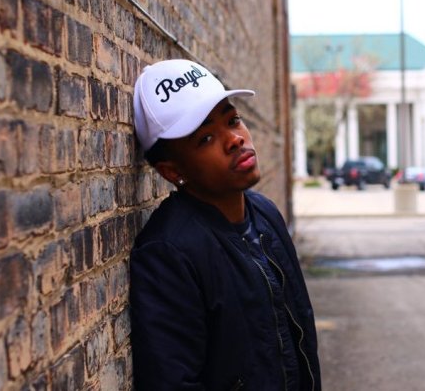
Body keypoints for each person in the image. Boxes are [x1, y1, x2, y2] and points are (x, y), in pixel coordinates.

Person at [129, 59, 321, 390]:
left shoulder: (264, 213)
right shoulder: (169, 252)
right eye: (205, 138)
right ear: (172, 171)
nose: (234, 139)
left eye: (233, 120)